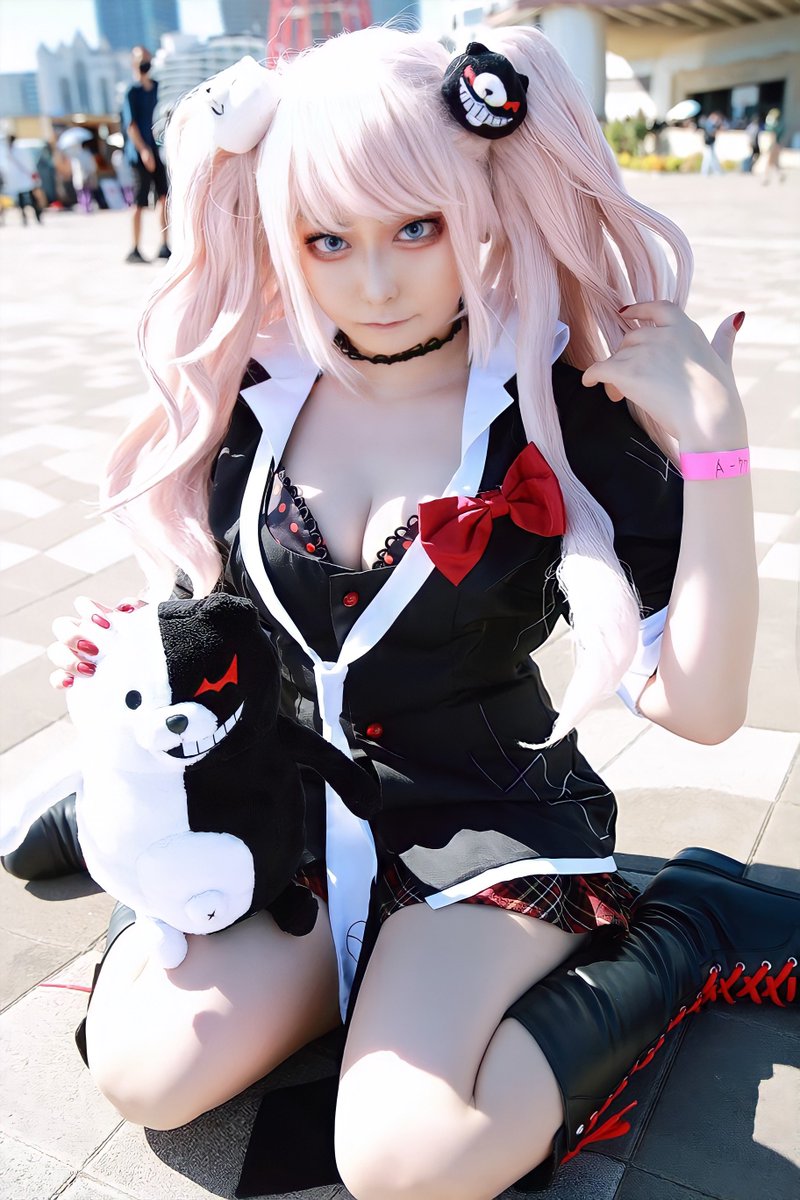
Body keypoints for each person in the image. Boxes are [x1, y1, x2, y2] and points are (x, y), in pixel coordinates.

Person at [6, 28, 798, 1200]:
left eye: (414, 229)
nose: (372, 284)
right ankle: (346, 962)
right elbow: (223, 617)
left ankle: (680, 932)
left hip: (481, 818)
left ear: (477, 204)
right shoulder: (253, 390)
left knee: (405, 1158)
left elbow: (701, 709)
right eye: (327, 239)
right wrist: (134, 656)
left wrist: (717, 452)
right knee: (144, 1071)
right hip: (286, 816)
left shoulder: (551, 407)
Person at [121, 45, 170, 262]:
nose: (145, 63)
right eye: (142, 60)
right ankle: (135, 248)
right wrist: (143, 150)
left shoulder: (158, 88)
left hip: (158, 152)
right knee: (139, 202)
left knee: (164, 198)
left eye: (148, 59)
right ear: (134, 63)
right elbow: (130, 125)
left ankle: (164, 245)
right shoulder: (132, 92)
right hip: (139, 155)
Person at [0, 135, 43, 224]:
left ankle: (34, 216)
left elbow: (27, 162)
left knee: (29, 197)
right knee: (24, 198)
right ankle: (26, 217)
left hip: (23, 177)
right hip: (20, 178)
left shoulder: (16, 149)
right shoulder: (8, 150)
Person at [762, 107, 786, 185]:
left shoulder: (773, 125)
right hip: (777, 145)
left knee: (769, 162)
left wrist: (771, 145)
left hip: (774, 145)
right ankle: (780, 175)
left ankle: (766, 178)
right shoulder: (780, 124)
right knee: (776, 163)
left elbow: (773, 135)